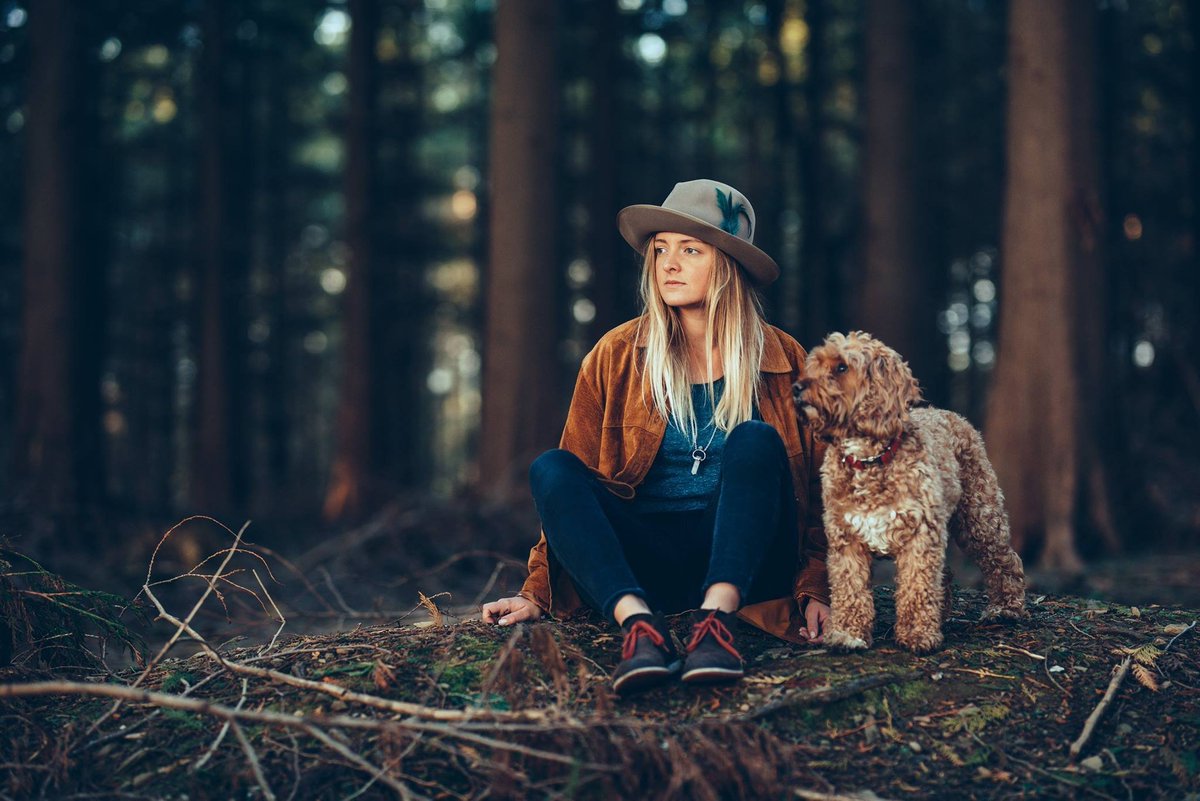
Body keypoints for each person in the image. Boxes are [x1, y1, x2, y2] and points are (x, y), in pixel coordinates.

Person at [482, 179, 830, 694]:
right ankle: (640, 628)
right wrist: (537, 593)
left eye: (690, 250)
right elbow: (569, 495)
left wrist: (817, 587)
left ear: (729, 265)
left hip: (749, 563)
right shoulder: (615, 354)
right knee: (551, 467)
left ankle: (716, 624)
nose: (669, 264)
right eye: (661, 249)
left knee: (755, 440)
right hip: (643, 563)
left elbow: (825, 493)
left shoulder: (785, 359)